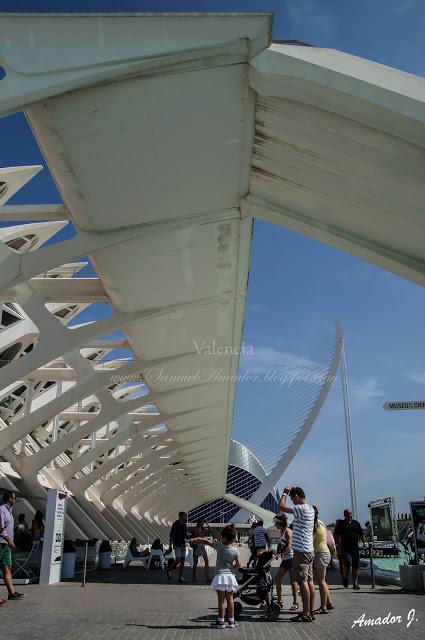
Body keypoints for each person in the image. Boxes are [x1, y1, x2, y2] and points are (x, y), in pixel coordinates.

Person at [192, 524, 240, 629]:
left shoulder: (219, 546)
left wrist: (198, 538)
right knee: (230, 599)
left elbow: (207, 542)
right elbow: (238, 564)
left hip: (220, 576)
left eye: (221, 537)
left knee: (221, 600)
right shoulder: (235, 550)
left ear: (224, 538)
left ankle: (221, 621)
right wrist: (232, 569)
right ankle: (231, 621)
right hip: (230, 577)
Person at [279, 485, 315, 623]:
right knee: (309, 581)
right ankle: (310, 611)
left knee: (302, 581)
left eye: (292, 499)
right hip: (309, 550)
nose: (292, 502)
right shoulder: (311, 508)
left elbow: (281, 507)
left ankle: (306, 614)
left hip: (301, 551)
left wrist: (284, 493)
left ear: (296, 497)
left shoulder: (300, 508)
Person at [0, 491, 26, 605]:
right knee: (5, 567)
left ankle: (11, 593)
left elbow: (7, 526)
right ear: (10, 499)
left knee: (7, 568)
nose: (15, 500)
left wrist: (15, 532)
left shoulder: (9, 511)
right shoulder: (1, 509)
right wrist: (9, 540)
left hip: (6, 544)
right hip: (2, 543)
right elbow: (0, 527)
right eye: (14, 498)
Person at [334, 509, 365, 590]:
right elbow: (336, 535)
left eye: (351, 515)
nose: (350, 516)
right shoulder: (341, 524)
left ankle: (355, 583)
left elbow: (361, 534)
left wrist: (364, 543)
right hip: (345, 548)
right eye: (349, 515)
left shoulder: (356, 523)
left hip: (355, 548)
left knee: (355, 566)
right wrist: (337, 545)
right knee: (347, 563)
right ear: (345, 515)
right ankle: (345, 578)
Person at [312, 506, 333, 614]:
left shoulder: (314, 524)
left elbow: (312, 540)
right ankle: (328, 602)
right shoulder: (321, 522)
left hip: (320, 553)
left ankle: (323, 607)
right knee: (322, 581)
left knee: (321, 581)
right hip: (325, 552)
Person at [274, 515, 298, 611]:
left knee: (293, 581)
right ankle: (280, 601)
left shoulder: (288, 532)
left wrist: (280, 553)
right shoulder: (282, 532)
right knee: (277, 578)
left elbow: (289, 545)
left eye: (276, 523)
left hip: (291, 558)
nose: (275, 525)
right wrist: (278, 551)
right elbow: (282, 545)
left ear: (280, 523)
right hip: (285, 559)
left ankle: (295, 602)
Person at [167, 511, 189, 583]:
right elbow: (171, 535)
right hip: (177, 544)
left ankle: (180, 577)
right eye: (184, 516)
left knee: (182, 560)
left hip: (183, 544)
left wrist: (189, 538)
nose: (186, 517)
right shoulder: (175, 524)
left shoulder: (184, 525)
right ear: (180, 516)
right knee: (178, 559)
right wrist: (170, 545)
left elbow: (185, 535)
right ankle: (169, 569)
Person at [192, 517, 211, 583]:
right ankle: (194, 577)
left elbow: (210, 530)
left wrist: (207, 523)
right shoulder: (196, 529)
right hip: (197, 546)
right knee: (195, 563)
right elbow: (197, 536)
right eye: (203, 522)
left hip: (202, 546)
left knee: (206, 561)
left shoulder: (203, 528)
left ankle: (207, 577)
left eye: (204, 522)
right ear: (200, 522)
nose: (203, 523)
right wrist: (203, 532)